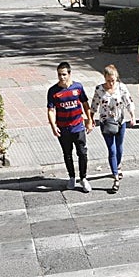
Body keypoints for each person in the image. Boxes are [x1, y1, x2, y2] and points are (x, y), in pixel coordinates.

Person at [47, 61, 93, 192]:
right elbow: (51, 110)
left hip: (78, 127)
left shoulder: (78, 87)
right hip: (63, 129)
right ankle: (71, 177)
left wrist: (89, 120)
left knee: (82, 153)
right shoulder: (53, 91)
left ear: (69, 74)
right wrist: (53, 126)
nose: (62, 77)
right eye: (59, 75)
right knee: (67, 154)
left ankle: (83, 178)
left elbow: (85, 104)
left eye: (64, 74)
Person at [90, 64, 136, 192]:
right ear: (104, 78)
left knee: (119, 147)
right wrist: (91, 118)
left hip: (120, 121)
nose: (110, 83)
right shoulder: (99, 89)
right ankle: (115, 176)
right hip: (106, 122)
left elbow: (129, 102)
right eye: (108, 81)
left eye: (113, 80)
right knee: (112, 149)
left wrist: (132, 116)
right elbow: (94, 104)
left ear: (117, 78)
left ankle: (118, 165)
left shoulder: (121, 88)